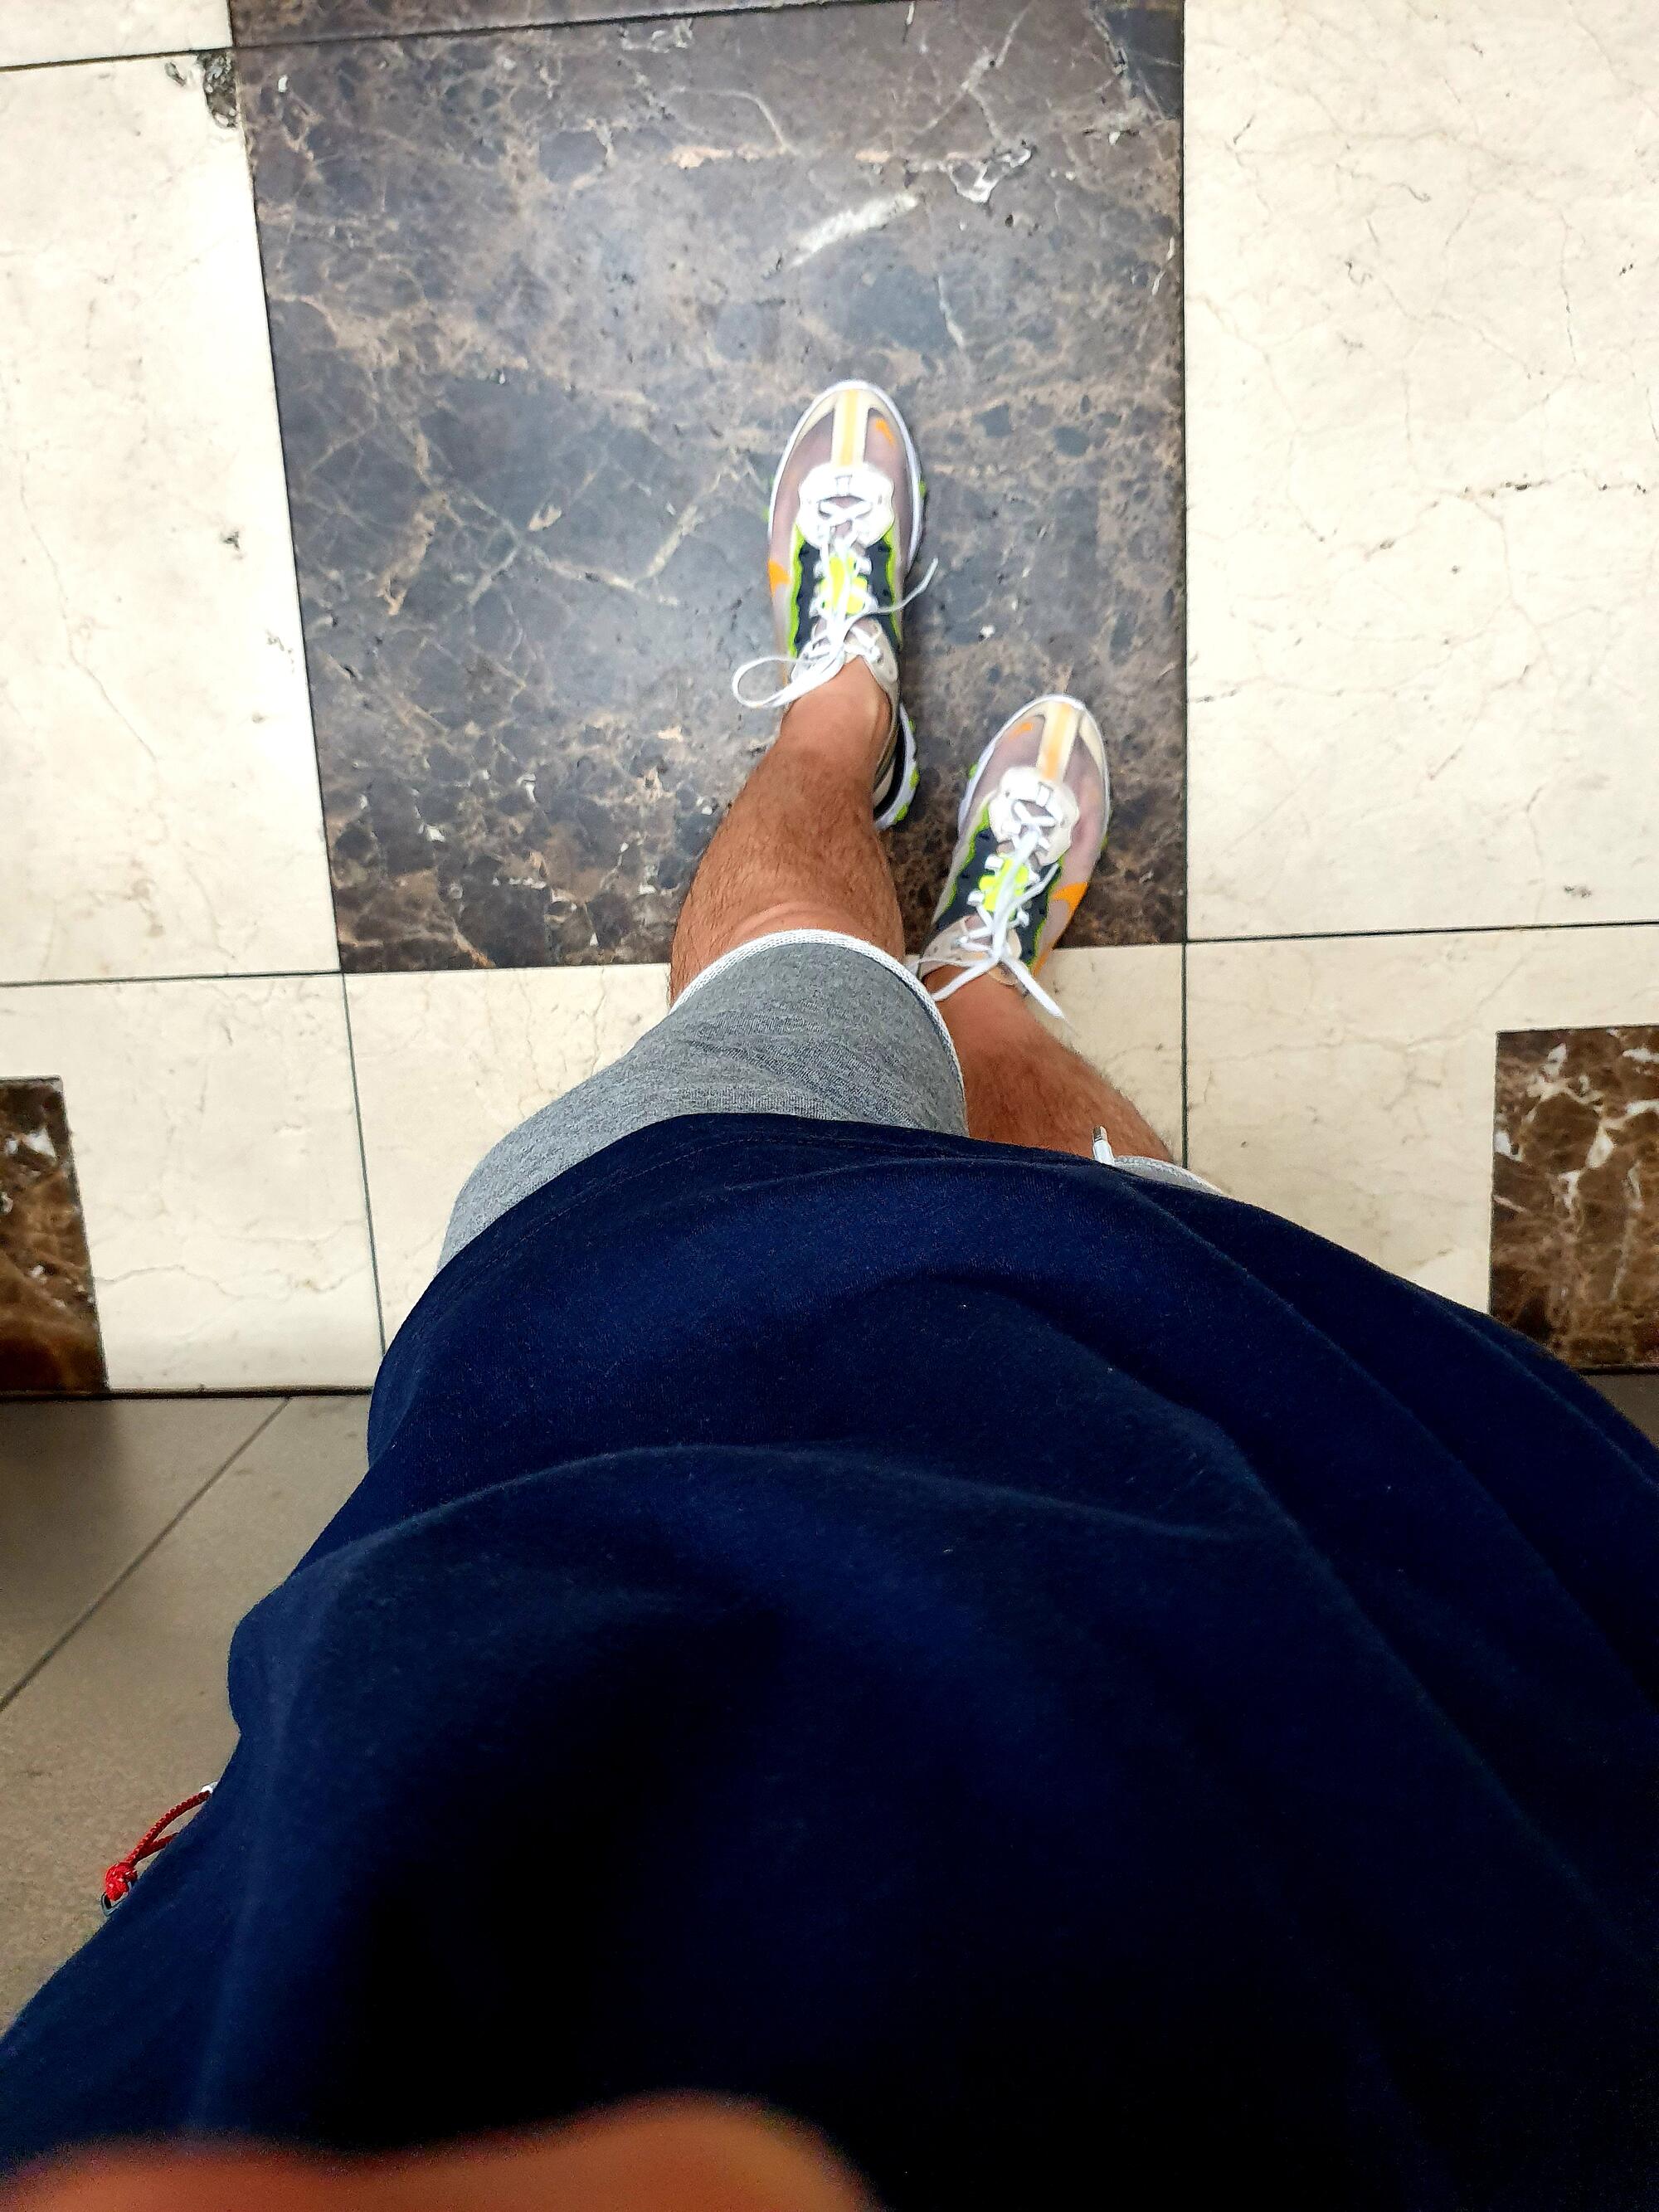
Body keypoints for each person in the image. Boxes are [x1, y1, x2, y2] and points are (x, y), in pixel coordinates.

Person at [2, 382, 1655, 2212]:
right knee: (1132, 1245)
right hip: (1405, 1672)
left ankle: (838, 718)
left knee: (786, 1031)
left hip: (596, 1450)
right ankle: (981, 979)